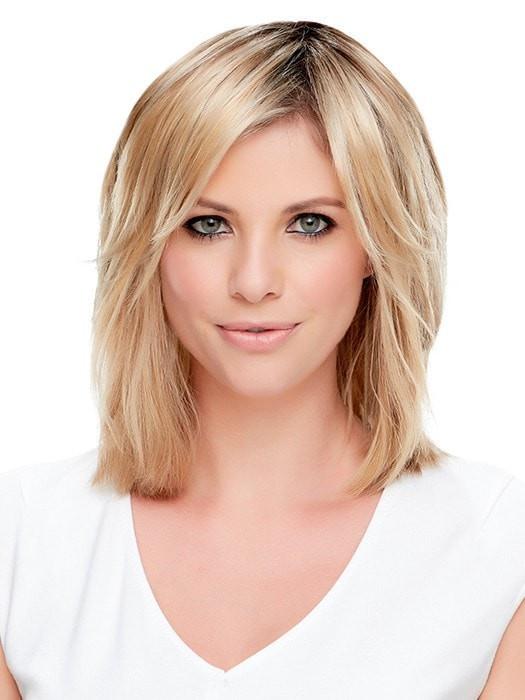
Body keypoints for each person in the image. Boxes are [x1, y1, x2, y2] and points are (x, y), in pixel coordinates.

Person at [1, 20, 524, 699]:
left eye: (310, 224)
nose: (252, 282)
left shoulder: (497, 550)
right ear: (150, 245)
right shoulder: (23, 542)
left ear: (376, 245)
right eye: (207, 224)